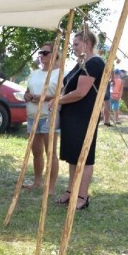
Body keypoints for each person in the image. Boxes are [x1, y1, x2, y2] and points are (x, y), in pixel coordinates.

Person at [55, 29, 105, 211]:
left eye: (76, 44)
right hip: (71, 116)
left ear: (88, 44)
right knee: (73, 156)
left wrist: (57, 101)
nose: (73, 48)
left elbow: (80, 92)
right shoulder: (80, 64)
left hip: (84, 117)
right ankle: (71, 191)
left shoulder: (95, 63)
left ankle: (82, 195)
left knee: (84, 157)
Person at [21, 43, 61, 193]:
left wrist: (44, 98)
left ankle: (50, 187)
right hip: (32, 115)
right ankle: (37, 182)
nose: (42, 55)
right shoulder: (35, 73)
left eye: (46, 52)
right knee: (36, 152)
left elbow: (61, 95)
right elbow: (27, 90)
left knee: (50, 152)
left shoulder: (60, 73)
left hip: (48, 115)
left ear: (55, 54)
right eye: (41, 52)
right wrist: (27, 96)